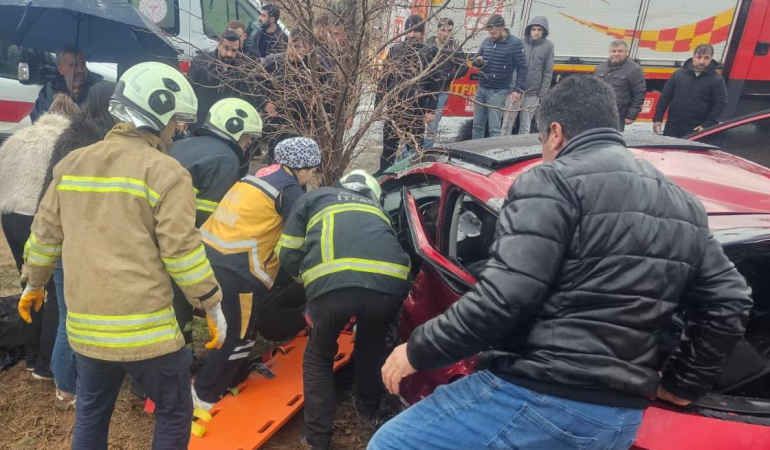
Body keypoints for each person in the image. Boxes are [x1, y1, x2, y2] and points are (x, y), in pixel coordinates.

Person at [369, 75, 753, 450]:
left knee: (392, 442)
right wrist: (682, 384)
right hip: (620, 419)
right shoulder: (682, 202)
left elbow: (505, 299)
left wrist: (416, 351)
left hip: (541, 394)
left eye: (540, 142)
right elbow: (730, 301)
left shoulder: (550, 181)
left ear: (555, 132)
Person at [17, 62, 227, 450]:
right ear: (159, 116)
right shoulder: (167, 173)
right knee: (173, 412)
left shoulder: (72, 165)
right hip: (148, 335)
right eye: (174, 122)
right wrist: (211, 304)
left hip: (87, 330)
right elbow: (182, 252)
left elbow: (44, 236)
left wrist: (34, 283)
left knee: (92, 414)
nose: (175, 130)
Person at [277, 170, 410, 450]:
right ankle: (369, 410)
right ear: (372, 193)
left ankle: (317, 439)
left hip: (331, 290)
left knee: (318, 357)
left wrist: (311, 284)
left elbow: (288, 252)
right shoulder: (377, 209)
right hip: (388, 286)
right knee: (370, 348)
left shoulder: (315, 197)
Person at [192, 137, 320, 411]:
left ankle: (213, 376)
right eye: (311, 169)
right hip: (239, 268)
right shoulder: (289, 190)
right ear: (301, 167)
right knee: (241, 336)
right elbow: (299, 236)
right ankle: (204, 395)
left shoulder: (258, 176)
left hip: (209, 254)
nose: (311, 174)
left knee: (227, 325)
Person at [37, 81, 117, 409]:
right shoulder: (92, 143)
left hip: (58, 235)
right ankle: (68, 387)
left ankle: (66, 385)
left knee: (69, 315)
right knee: (73, 317)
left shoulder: (71, 135)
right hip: (74, 240)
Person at [168, 97, 262, 348]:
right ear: (232, 128)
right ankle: (179, 356)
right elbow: (208, 218)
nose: (248, 144)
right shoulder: (225, 160)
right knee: (178, 298)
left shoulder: (185, 144)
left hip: (152, 227)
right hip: (177, 238)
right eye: (246, 137)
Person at [0, 95, 80, 384]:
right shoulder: (67, 141)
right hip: (40, 216)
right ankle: (47, 365)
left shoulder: (18, 137)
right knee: (57, 293)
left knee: (29, 284)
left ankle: (32, 356)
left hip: (10, 216)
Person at [377, 14, 440, 172]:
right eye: (409, 31)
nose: (411, 35)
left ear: (422, 33)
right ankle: (384, 179)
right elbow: (384, 79)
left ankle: (412, 178)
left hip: (416, 110)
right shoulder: (395, 50)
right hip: (395, 108)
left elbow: (435, 82)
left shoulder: (429, 52)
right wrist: (377, 105)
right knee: (388, 150)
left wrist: (431, 109)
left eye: (415, 32)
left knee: (415, 150)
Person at [262, 29, 334, 160]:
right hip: (280, 123)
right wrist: (264, 102)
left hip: (306, 124)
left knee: (300, 164)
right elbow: (252, 79)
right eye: (289, 45)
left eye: (297, 47)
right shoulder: (274, 62)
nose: (292, 51)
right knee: (277, 162)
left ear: (307, 48)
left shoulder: (315, 64)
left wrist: (319, 97)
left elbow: (332, 83)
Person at [471, 14, 528, 139]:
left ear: (501, 29)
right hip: (482, 88)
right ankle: (474, 152)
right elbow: (474, 61)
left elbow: (522, 68)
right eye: (489, 33)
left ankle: (492, 155)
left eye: (493, 33)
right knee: (477, 126)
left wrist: (518, 90)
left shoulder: (515, 44)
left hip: (498, 91)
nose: (491, 36)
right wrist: (478, 61)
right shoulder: (487, 42)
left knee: (494, 128)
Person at [653, 44, 728, 137]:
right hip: (673, 126)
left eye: (706, 58)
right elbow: (665, 97)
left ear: (711, 59)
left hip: (696, 130)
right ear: (693, 57)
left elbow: (720, 104)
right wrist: (658, 118)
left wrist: (707, 124)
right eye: (699, 57)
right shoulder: (678, 74)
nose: (701, 61)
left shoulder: (717, 80)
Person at [502, 16, 553, 135]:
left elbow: (547, 71)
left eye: (539, 30)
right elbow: (511, 65)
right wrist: (510, 86)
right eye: (533, 29)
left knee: (525, 127)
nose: (536, 32)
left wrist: (543, 92)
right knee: (507, 124)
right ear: (529, 30)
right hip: (515, 91)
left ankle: (521, 151)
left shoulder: (548, 46)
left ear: (544, 31)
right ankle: (502, 149)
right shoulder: (520, 43)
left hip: (532, 92)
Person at [188, 29, 246, 133]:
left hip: (223, 124)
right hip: (200, 121)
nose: (229, 54)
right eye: (227, 48)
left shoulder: (239, 69)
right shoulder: (201, 62)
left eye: (234, 51)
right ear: (219, 46)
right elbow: (189, 89)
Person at [29, 44, 103, 123]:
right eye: (74, 65)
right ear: (60, 68)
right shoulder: (48, 92)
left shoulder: (99, 91)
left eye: (83, 64)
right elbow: (37, 122)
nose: (81, 70)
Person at [423, 18, 468, 148]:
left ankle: (426, 153)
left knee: (432, 125)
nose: (445, 33)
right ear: (437, 30)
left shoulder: (454, 47)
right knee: (417, 123)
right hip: (423, 90)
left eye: (449, 31)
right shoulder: (428, 44)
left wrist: (449, 76)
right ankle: (412, 152)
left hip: (441, 91)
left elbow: (464, 68)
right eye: (443, 30)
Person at [594, 40, 646, 131]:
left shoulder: (634, 69)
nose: (616, 54)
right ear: (609, 52)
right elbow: (592, 90)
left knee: (613, 142)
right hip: (599, 114)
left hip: (618, 116)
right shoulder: (600, 68)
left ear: (626, 52)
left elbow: (639, 94)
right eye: (613, 51)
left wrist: (631, 115)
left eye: (620, 51)